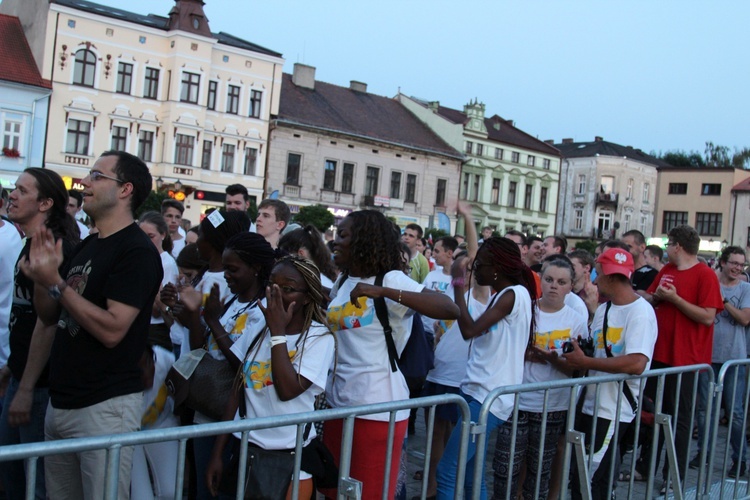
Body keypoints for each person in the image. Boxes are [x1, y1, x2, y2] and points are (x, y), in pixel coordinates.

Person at [21, 151, 163, 499]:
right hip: (62, 402)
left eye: (97, 176)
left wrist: (56, 283)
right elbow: (50, 315)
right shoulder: (87, 246)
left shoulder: (137, 251)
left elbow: (113, 329)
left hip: (104, 408)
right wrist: (42, 278)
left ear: (125, 189)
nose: (84, 183)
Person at [324, 210, 459, 500]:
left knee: (369, 493)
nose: (336, 241)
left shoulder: (392, 278)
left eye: (344, 235)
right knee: (339, 491)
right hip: (337, 401)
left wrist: (384, 291)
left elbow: (449, 309)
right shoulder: (342, 280)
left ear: (364, 240)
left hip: (376, 406)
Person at [206, 256, 336, 499]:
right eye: (271, 286)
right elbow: (239, 387)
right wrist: (217, 453)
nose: (275, 295)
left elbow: (287, 390)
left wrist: (278, 333)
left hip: (291, 457)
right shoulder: (258, 327)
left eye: (287, 289)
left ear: (307, 296)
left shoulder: (319, 338)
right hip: (247, 450)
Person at [161, 214, 257, 500]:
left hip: (227, 403)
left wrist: (207, 320)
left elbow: (243, 362)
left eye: (202, 233)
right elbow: (199, 344)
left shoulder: (247, 297)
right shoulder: (209, 276)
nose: (196, 239)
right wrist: (180, 312)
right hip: (204, 395)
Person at [436, 237, 537, 500]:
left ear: (497, 268)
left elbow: (469, 330)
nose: (475, 270)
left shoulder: (512, 295)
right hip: (479, 393)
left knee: (447, 471)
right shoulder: (504, 295)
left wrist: (459, 285)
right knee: (471, 476)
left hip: (486, 398)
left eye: (479, 265)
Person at [0, 168, 78, 500]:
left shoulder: (53, 249)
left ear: (45, 203)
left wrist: (27, 387)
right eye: (13, 189)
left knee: (34, 484)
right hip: (21, 376)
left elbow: (47, 324)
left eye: (21, 190)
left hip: (40, 386)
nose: (12, 195)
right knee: (12, 478)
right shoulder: (28, 242)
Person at [560, 248, 657, 500]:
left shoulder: (641, 312)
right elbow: (598, 352)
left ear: (612, 278)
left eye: (598, 274)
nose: (594, 280)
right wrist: (580, 355)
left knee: (594, 481)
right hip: (590, 404)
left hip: (614, 409)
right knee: (581, 479)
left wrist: (587, 360)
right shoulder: (604, 309)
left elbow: (637, 363)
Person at [493, 256, 588, 500]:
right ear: (540, 281)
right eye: (549, 279)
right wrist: (524, 353)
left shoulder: (576, 321)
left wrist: (553, 360)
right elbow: (502, 348)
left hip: (553, 406)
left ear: (570, 286)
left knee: (539, 474)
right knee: (505, 471)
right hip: (516, 402)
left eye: (561, 281)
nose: (554, 286)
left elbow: (579, 369)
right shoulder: (525, 311)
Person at [640, 225, 722, 489]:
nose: (666, 250)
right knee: (654, 415)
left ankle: (673, 477)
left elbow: (708, 316)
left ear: (678, 246)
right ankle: (645, 468)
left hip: (687, 359)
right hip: (660, 354)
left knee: (681, 420)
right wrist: (648, 298)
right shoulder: (666, 270)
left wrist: (675, 300)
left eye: (668, 245)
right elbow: (653, 297)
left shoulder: (705, 275)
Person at [692, 246, 750, 477]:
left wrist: (722, 301)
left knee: (735, 412)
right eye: (734, 263)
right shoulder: (710, 282)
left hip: (734, 359)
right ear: (723, 263)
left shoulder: (746, 288)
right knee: (705, 411)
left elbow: (745, 319)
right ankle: (703, 454)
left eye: (741, 264)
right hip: (708, 357)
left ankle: (740, 459)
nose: (737, 267)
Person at [130, 342, 180, 500]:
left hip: (161, 424)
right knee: (141, 497)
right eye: (139, 372)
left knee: (171, 492)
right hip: (129, 434)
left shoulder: (164, 359)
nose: (146, 373)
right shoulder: (119, 383)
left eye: (147, 363)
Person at [138, 212, 179, 352]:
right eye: (142, 237)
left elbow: (159, 308)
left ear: (163, 235)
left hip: (155, 329)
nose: (146, 242)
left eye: (151, 236)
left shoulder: (166, 263)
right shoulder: (139, 259)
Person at [278, 224, 338, 289]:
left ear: (301, 253)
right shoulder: (325, 282)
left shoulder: (306, 284)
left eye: (284, 255)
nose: (281, 261)